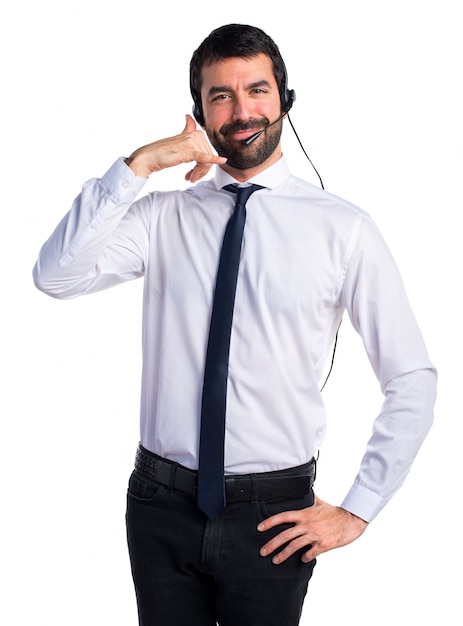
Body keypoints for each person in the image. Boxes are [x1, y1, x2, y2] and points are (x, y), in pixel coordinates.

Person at [33, 23, 437, 626]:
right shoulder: (160, 217)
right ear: (199, 110)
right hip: (160, 505)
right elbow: (55, 275)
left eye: (257, 90)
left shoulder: (343, 228)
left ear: (284, 100)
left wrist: (359, 508)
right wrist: (141, 163)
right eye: (221, 95)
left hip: (274, 517)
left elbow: (412, 376)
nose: (242, 110)